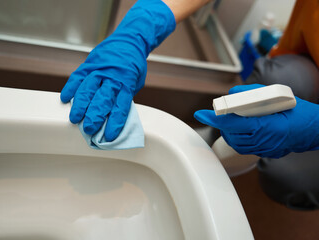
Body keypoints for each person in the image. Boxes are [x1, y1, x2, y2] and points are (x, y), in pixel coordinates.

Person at [61, 0, 319, 208]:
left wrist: (315, 128)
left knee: (289, 178)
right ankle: (217, 137)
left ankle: (235, 161)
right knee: (278, 78)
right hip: (309, 59)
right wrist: (142, 25)